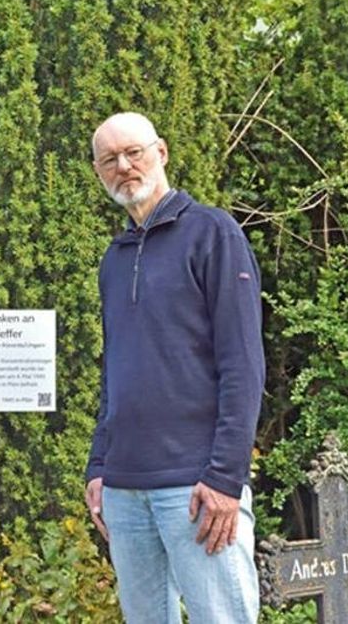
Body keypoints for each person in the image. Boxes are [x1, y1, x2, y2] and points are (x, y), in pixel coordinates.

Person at [83, 112, 265, 623]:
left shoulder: (213, 234)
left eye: (133, 153)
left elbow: (243, 364)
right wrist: (100, 465)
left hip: (197, 487)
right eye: (109, 160)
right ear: (99, 172)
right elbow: (117, 371)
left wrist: (227, 478)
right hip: (123, 490)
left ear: (161, 152)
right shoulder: (113, 260)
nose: (123, 167)